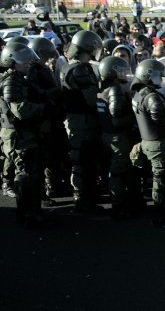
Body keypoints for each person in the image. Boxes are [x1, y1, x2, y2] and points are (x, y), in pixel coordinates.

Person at [0, 44, 50, 228]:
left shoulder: (19, 78)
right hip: (20, 135)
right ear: (11, 61)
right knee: (26, 175)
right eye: (24, 60)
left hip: (25, 133)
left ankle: (32, 212)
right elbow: (20, 110)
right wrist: (43, 107)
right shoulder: (12, 80)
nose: (29, 63)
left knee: (32, 173)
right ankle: (27, 214)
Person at [132, 59, 165, 226]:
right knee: (161, 179)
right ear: (148, 76)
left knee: (161, 178)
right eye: (158, 75)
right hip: (158, 143)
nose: (161, 78)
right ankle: (161, 213)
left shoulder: (139, 93)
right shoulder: (151, 97)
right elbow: (160, 118)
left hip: (148, 142)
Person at [61, 30, 103, 212]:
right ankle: (83, 199)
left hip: (75, 119)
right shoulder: (80, 69)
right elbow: (91, 98)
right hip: (82, 120)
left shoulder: (68, 66)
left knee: (82, 158)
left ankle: (84, 196)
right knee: (83, 158)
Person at [96, 56, 140, 220]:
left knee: (120, 171)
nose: (125, 74)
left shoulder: (102, 90)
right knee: (118, 173)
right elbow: (117, 118)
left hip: (107, 136)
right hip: (118, 137)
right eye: (122, 71)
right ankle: (119, 207)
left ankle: (125, 203)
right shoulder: (114, 90)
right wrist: (135, 117)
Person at [26, 37, 65, 204]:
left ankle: (52, 186)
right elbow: (37, 95)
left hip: (49, 117)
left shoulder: (40, 69)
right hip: (42, 120)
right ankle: (43, 193)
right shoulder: (34, 71)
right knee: (41, 159)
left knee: (51, 155)